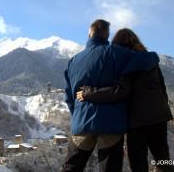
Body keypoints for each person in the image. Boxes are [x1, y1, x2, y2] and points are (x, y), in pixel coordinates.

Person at [62, 20, 160, 172]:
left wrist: (78, 116)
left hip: (81, 122)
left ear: (90, 33)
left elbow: (69, 97)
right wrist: (152, 56)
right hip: (111, 124)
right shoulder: (116, 53)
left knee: (71, 167)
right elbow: (150, 60)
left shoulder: (73, 61)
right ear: (107, 34)